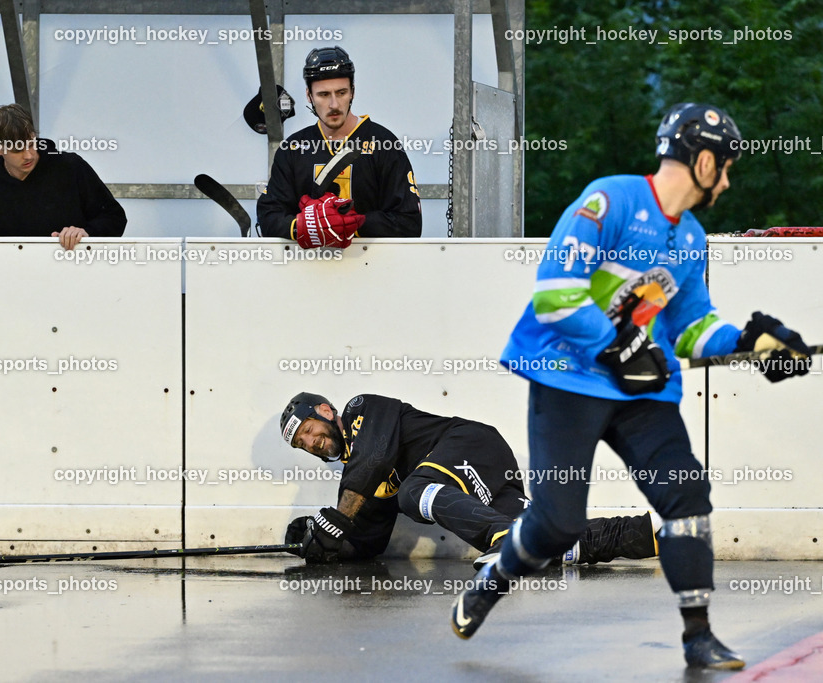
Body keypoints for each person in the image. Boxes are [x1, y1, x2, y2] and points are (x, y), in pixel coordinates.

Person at [451, 103, 814, 670]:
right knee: (557, 526)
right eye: (725, 167)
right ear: (702, 159)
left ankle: (698, 636)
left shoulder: (690, 239)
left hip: (639, 387)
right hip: (568, 378)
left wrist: (749, 340)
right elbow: (555, 293)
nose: (727, 180)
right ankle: (494, 579)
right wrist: (616, 346)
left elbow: (692, 327)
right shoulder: (611, 200)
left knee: (687, 496)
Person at [279, 392, 656, 567]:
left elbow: (373, 457)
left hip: (472, 444)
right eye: (302, 443)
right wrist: (323, 547)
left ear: (326, 411)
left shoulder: (360, 410)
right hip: (483, 475)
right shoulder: (362, 485)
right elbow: (369, 540)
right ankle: (651, 537)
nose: (311, 443)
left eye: (310, 429)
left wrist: (339, 518)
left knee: (412, 492)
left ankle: (503, 538)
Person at [256, 46, 422, 249]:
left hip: (373, 272)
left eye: (341, 92)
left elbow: (409, 223)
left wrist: (353, 223)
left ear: (352, 91)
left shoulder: (384, 144)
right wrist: (304, 226)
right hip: (307, 274)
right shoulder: (293, 148)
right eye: (323, 94)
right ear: (309, 96)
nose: (334, 104)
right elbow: (268, 218)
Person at [0, 104, 126, 249]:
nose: (28, 155)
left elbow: (115, 217)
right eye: (17, 150)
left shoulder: (70, 167)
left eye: (31, 144)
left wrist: (86, 233)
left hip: (72, 272)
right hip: (12, 275)